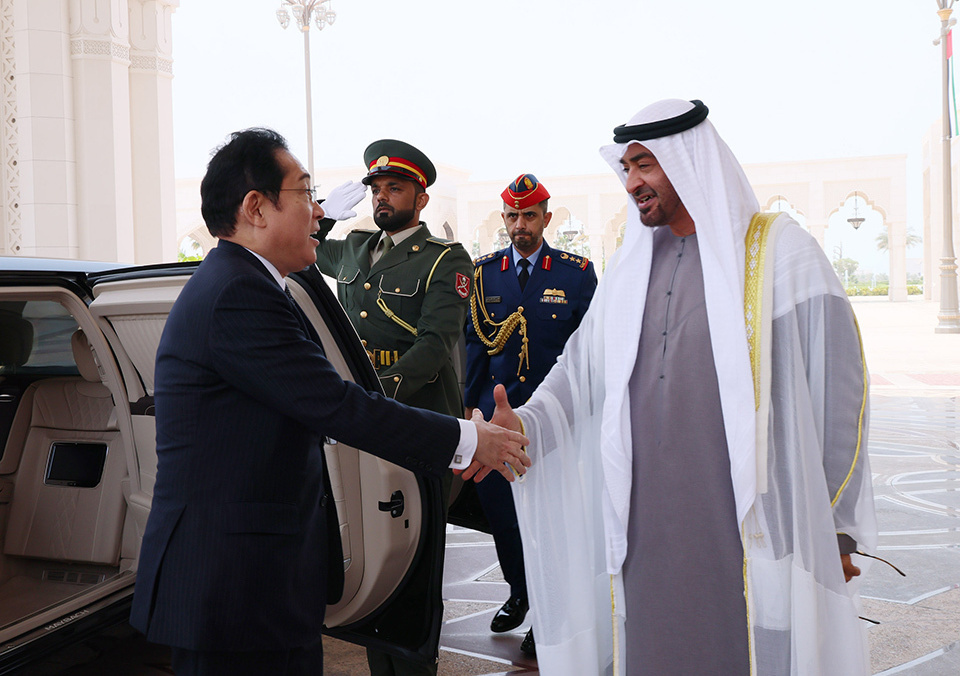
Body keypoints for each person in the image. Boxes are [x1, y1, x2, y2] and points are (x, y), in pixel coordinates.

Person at [485, 100, 877, 675]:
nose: (633, 182)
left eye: (646, 165)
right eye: (627, 168)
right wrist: (526, 421)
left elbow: (841, 389)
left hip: (742, 517)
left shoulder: (777, 254)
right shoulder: (627, 266)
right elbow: (580, 369)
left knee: (743, 647)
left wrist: (836, 527)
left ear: (690, 161)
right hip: (644, 516)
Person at [128, 128, 530, 676]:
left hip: (259, 582)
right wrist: (468, 439)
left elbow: (424, 352)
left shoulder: (255, 284)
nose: (319, 211)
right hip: (231, 587)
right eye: (305, 194)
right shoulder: (238, 295)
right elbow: (337, 404)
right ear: (256, 208)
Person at [312, 139, 472, 676]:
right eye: (376, 189)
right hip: (368, 427)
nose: (382, 198)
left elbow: (435, 344)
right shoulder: (355, 249)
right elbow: (305, 250)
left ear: (420, 199)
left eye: (395, 189)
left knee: (415, 567)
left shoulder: (445, 259)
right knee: (376, 561)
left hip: (416, 423)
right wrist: (324, 216)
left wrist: (375, 395)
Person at [464, 174, 597, 656]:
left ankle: (547, 613)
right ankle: (520, 593)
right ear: (504, 219)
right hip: (497, 422)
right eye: (512, 217)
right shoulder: (484, 273)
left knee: (553, 521)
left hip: (556, 425)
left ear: (546, 218)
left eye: (529, 216)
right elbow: (475, 347)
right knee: (504, 516)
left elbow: (589, 354)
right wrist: (470, 411)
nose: (520, 225)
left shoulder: (576, 274)